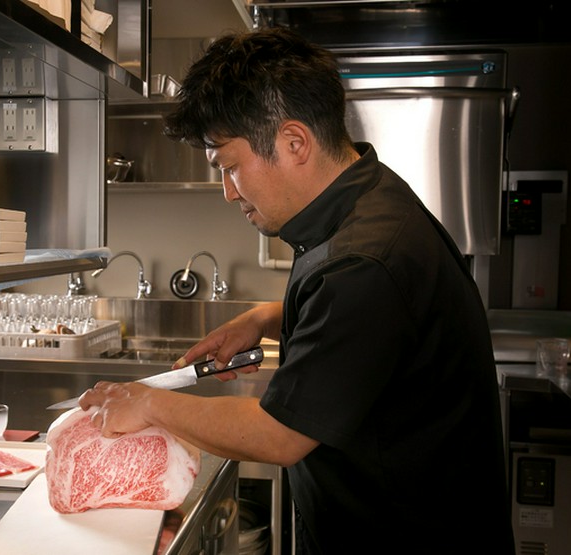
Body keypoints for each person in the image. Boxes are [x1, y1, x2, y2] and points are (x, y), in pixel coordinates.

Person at [79, 27, 515, 554]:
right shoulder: (367, 196)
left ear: (294, 142)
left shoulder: (362, 261)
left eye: (231, 167)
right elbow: (372, 319)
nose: (227, 192)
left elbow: (279, 433)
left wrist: (149, 404)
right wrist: (267, 316)